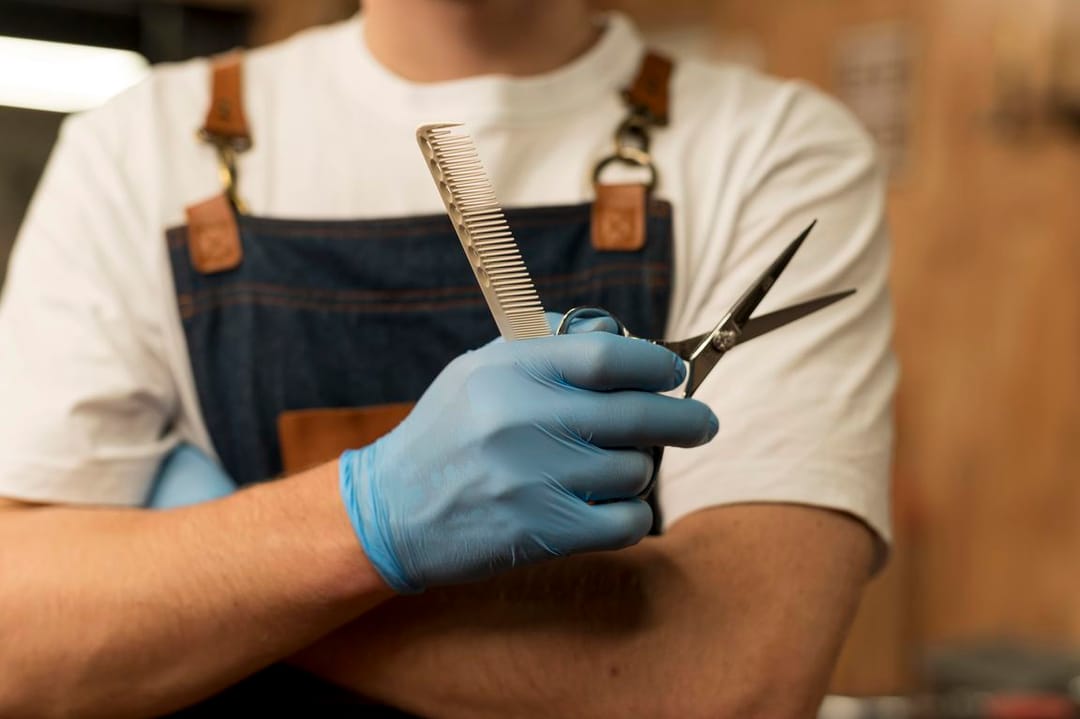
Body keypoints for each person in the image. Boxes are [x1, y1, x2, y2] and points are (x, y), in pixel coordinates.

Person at [0, 0, 897, 716]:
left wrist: (223, 562)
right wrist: (369, 517)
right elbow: (21, 638)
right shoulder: (136, 145)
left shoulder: (773, 150)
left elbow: (731, 680)